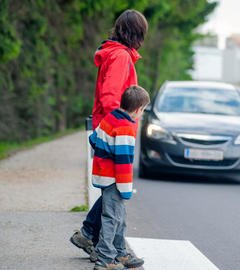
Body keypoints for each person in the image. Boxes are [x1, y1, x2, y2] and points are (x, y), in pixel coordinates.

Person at [70, 9, 148, 268]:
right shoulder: (120, 57)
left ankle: (89, 235)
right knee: (115, 193)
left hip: (108, 129)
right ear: (136, 34)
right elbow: (110, 97)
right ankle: (113, 252)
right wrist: (122, 126)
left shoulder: (115, 54)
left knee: (110, 191)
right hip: (114, 132)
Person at [90, 85, 150, 270]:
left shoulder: (111, 117)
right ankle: (105, 258)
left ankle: (120, 252)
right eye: (143, 111)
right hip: (114, 180)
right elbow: (123, 163)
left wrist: (105, 150)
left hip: (103, 174)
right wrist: (125, 190)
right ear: (138, 109)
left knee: (119, 216)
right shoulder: (125, 128)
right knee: (111, 218)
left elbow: (93, 138)